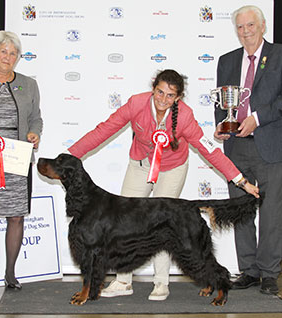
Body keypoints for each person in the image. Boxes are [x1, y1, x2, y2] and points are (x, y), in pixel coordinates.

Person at [67, 69, 259, 301]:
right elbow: (104, 130)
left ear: (178, 98)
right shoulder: (136, 104)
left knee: (166, 225)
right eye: (160, 92)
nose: (163, 99)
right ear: (153, 88)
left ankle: (161, 284)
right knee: (123, 224)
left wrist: (240, 180)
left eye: (170, 95)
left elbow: (209, 151)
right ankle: (122, 281)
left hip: (172, 168)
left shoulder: (185, 117)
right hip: (140, 163)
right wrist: (70, 156)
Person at [214, 5, 282, 295]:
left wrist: (258, 118)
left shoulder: (279, 55)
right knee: (240, 212)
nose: (246, 31)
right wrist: (220, 126)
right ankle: (249, 270)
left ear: (263, 26)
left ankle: (269, 273)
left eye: (251, 25)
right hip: (236, 148)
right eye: (240, 27)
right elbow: (221, 102)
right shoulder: (226, 60)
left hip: (270, 145)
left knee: (272, 213)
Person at [0, 31, 43, 294]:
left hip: (17, 157)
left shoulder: (29, 84)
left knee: (16, 217)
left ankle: (10, 274)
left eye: (13, 53)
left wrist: (34, 133)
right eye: (3, 51)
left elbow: (36, 118)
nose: (8, 57)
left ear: (18, 58)